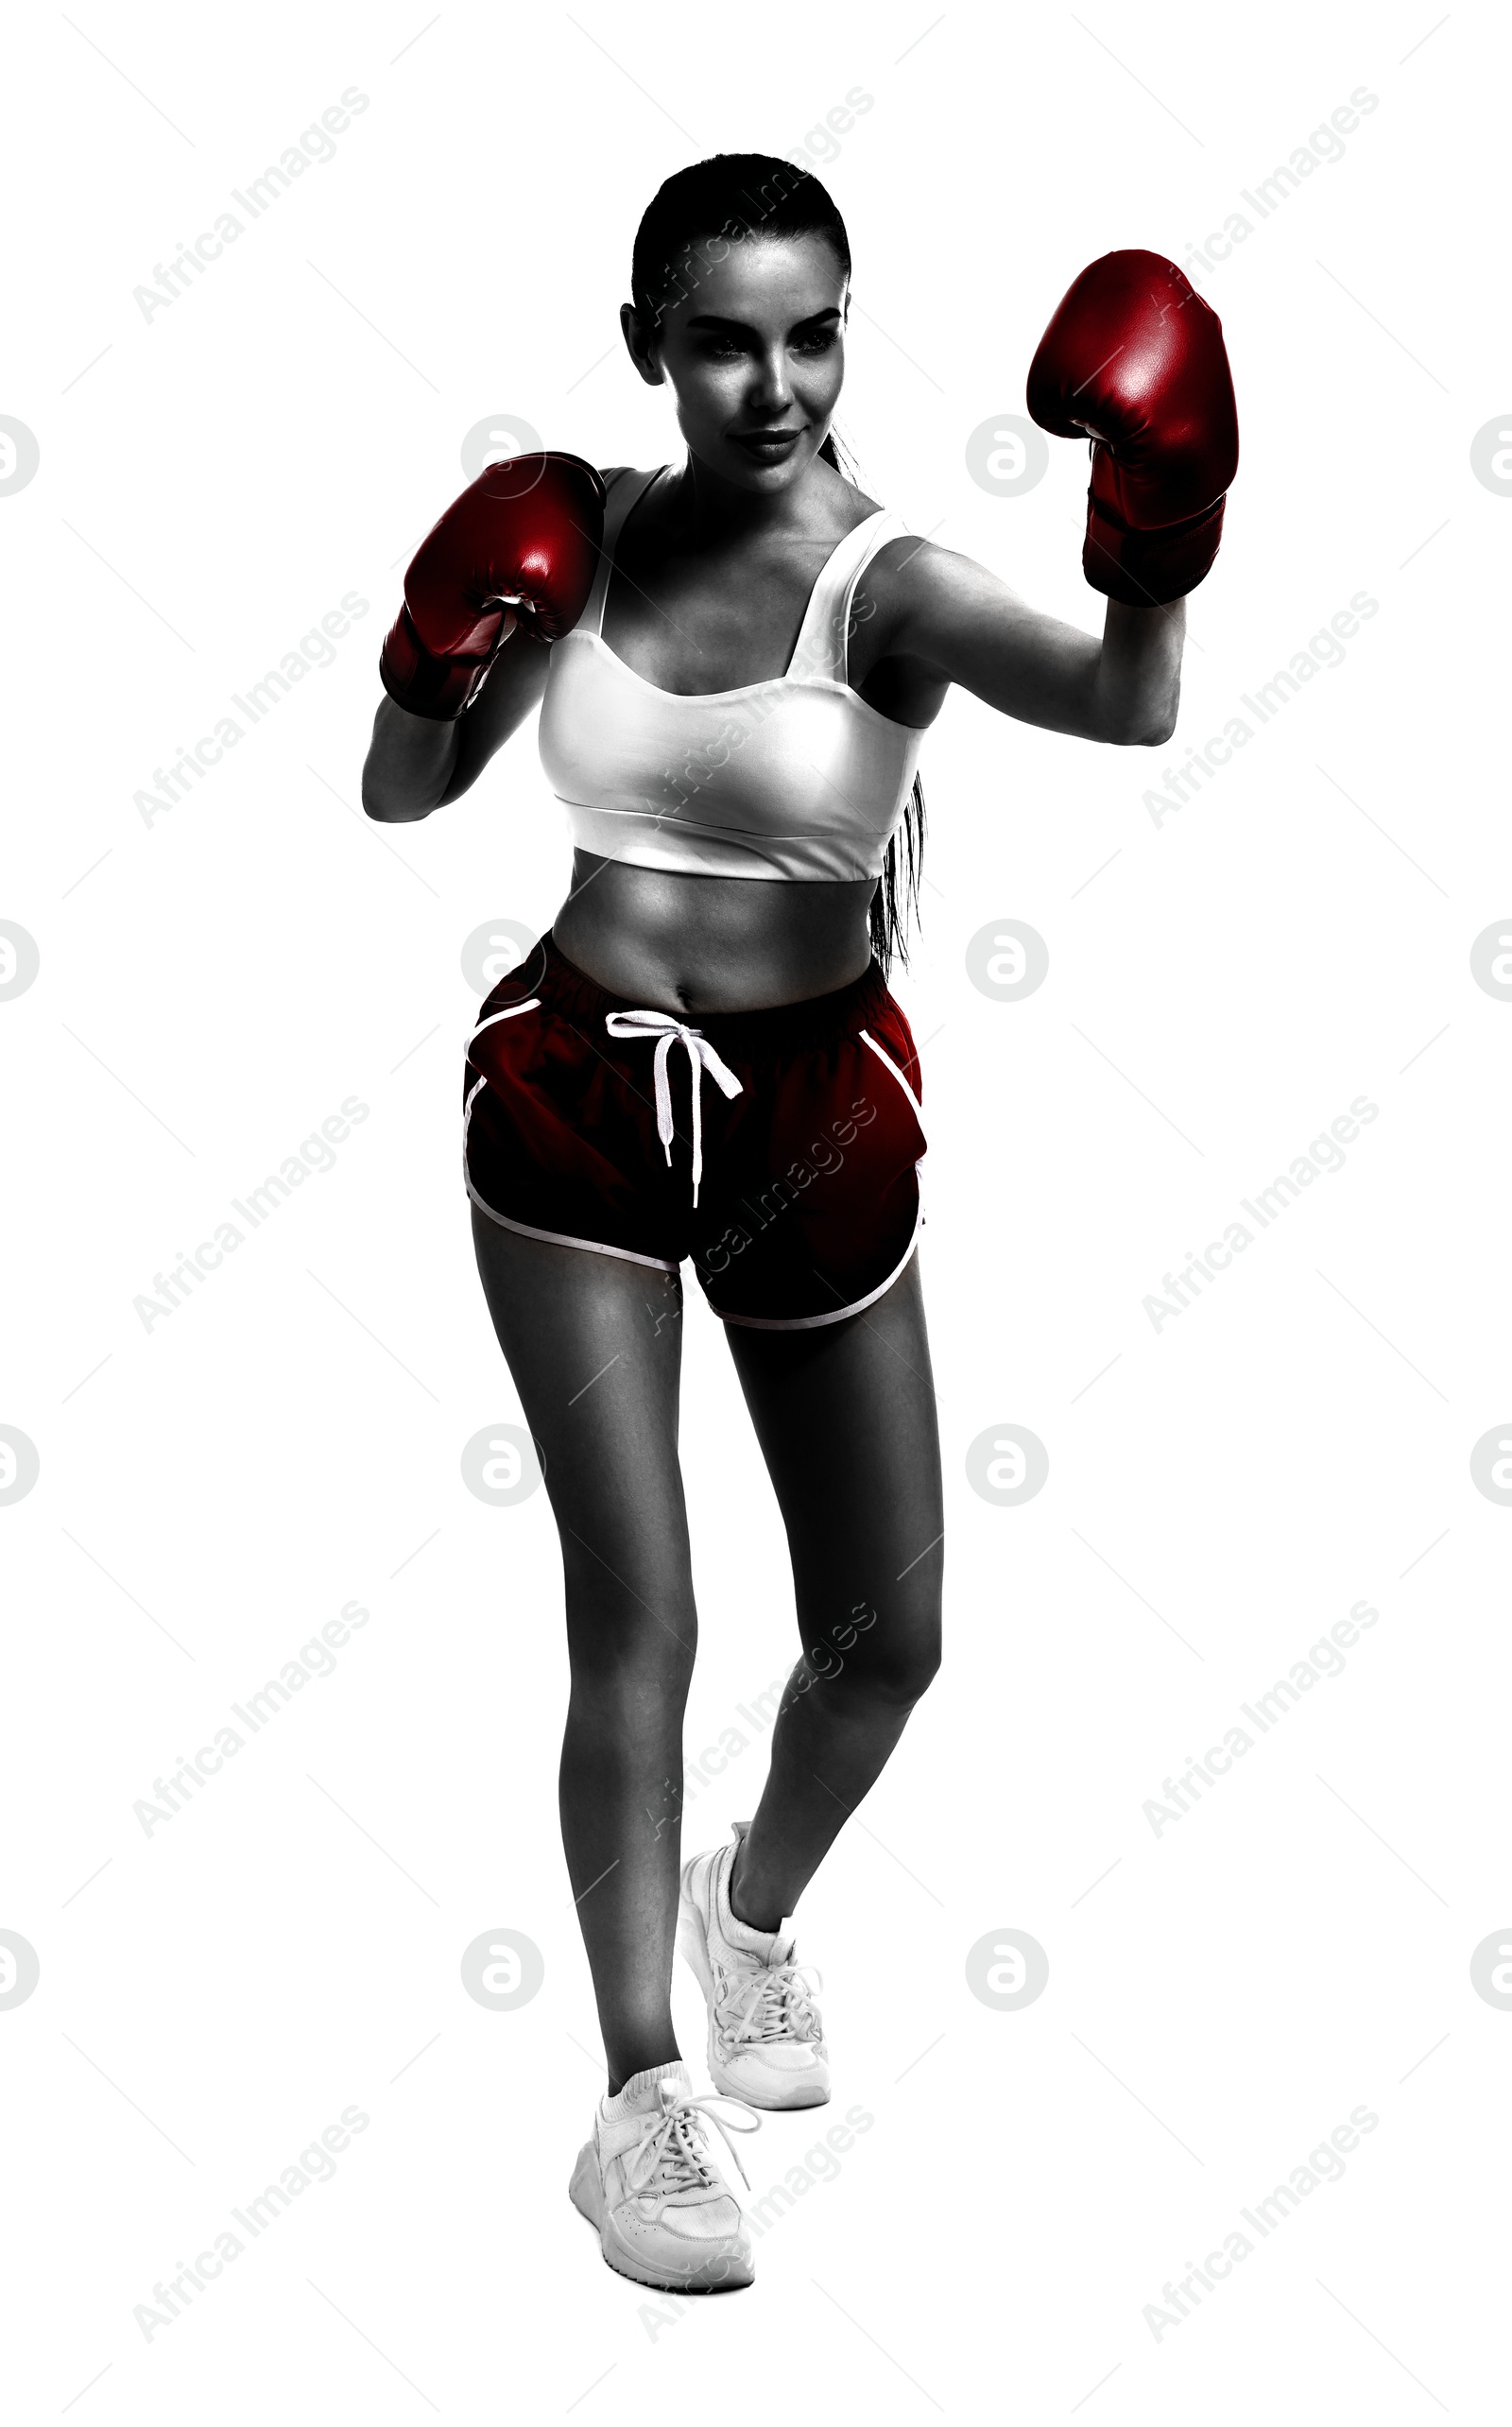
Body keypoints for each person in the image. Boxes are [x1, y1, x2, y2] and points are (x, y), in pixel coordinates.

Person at [361, 153, 1237, 2294]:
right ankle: (641, 2101)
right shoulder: (574, 529)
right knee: (632, 1612)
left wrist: (1158, 524)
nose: (776, 380)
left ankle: (739, 1913)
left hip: (807, 1117)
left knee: (890, 1634)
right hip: (567, 1089)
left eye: (815, 331)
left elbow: (1128, 705)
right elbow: (404, 790)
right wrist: (433, 634)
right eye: (730, 335)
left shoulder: (891, 588)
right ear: (651, 341)